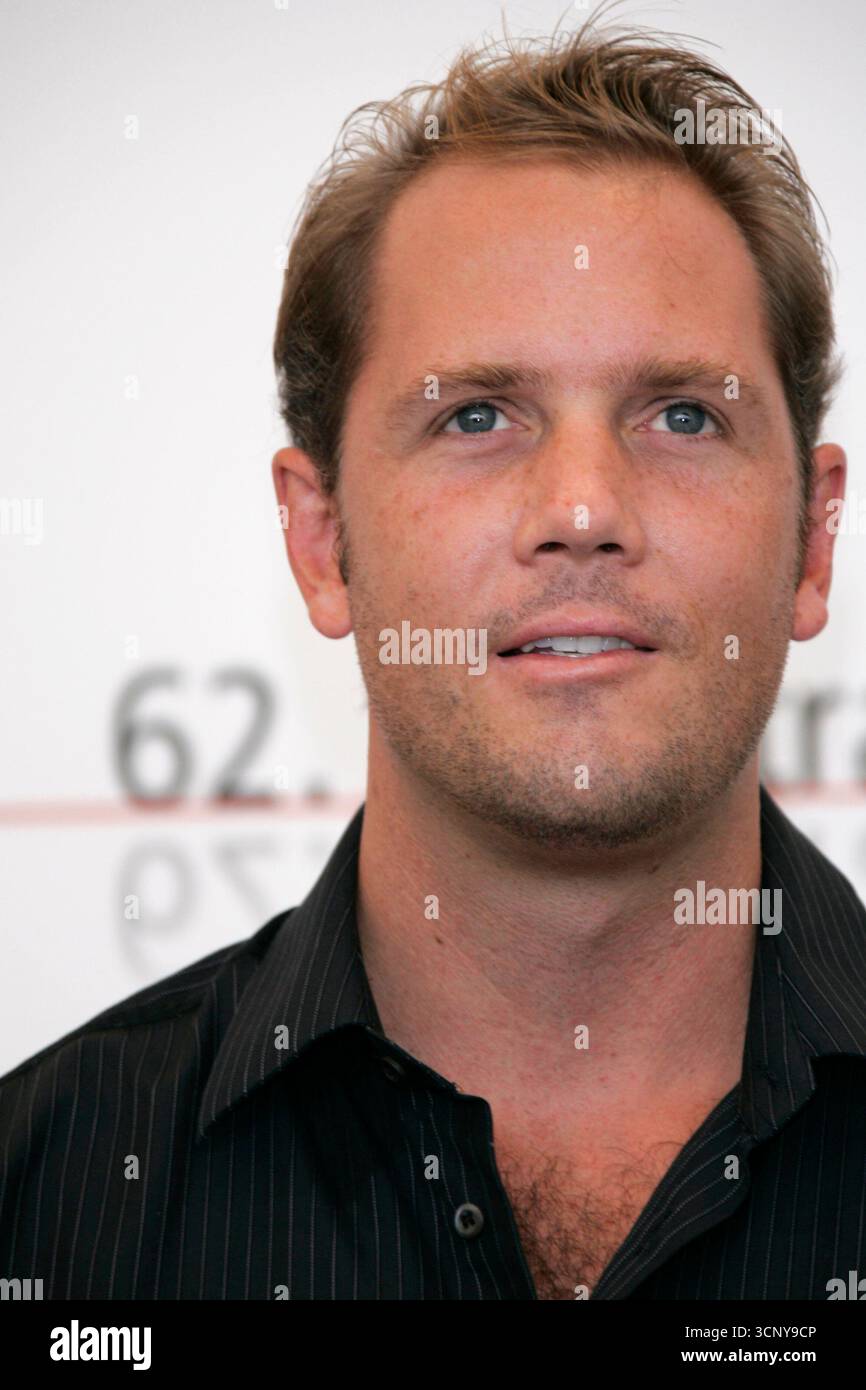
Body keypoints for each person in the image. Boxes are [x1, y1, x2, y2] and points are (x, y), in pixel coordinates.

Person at [2, 14, 863, 1302]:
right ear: (323, 543)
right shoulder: (45, 1204)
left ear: (812, 540)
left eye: (683, 413)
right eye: (476, 415)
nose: (583, 507)